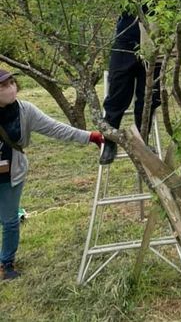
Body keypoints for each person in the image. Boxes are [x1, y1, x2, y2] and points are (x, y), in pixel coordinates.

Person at [0, 68, 103, 281]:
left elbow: (55, 128)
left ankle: (6, 262)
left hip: (11, 174)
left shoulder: (25, 110)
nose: (10, 88)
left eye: (11, 83)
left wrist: (90, 136)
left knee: (10, 220)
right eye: (3, 86)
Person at [100, 0, 169, 165]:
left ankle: (142, 141)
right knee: (117, 95)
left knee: (149, 97)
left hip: (153, 43)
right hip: (126, 42)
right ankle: (109, 143)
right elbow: (132, 0)